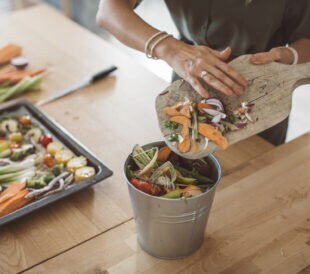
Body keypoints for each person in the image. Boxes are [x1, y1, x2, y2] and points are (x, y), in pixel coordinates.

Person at [96, 0, 310, 145]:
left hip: (263, 92)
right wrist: (170, 49)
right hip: (190, 80)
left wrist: (290, 55)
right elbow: (110, 10)